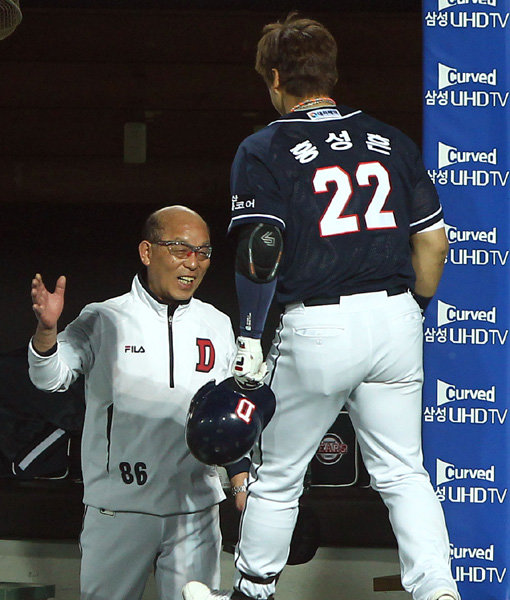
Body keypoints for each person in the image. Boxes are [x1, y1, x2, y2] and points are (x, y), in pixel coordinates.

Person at [183, 13, 459, 600]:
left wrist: (251, 339)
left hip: (318, 323)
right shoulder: (392, 141)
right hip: (395, 318)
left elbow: (261, 247)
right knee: (404, 472)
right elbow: (432, 243)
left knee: (278, 477)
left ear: (276, 77)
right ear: (330, 75)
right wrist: (409, 309)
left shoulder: (267, 146)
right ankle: (438, 592)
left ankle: (253, 591)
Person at [28, 205, 248, 600]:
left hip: (194, 512)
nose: (193, 263)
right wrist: (47, 332)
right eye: (181, 249)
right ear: (147, 252)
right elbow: (50, 378)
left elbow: (228, 415)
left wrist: (238, 477)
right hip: (118, 511)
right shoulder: (104, 317)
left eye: (204, 252)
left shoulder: (217, 323)